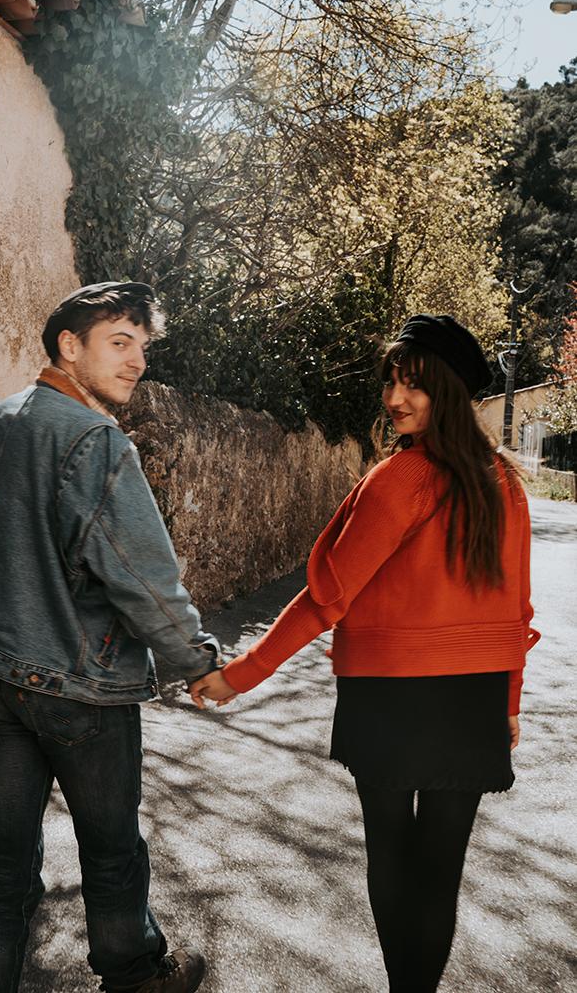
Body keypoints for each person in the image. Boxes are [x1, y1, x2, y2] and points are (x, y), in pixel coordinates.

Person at [190, 314, 540, 993]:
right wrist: (507, 702)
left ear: (451, 391)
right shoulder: (502, 481)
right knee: (439, 869)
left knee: (393, 855)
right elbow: (514, 611)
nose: (394, 399)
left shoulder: (399, 478)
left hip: (389, 693)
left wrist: (240, 675)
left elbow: (327, 596)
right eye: (391, 382)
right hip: (470, 694)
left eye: (414, 385)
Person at [0, 282, 220, 993]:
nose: (136, 363)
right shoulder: (95, 442)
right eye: (118, 343)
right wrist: (196, 663)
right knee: (112, 852)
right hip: (78, 691)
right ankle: (135, 974)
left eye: (142, 347)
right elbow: (143, 579)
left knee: (3, 861)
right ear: (69, 346)